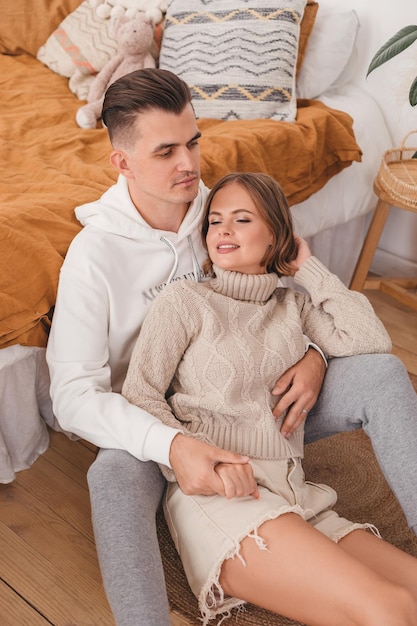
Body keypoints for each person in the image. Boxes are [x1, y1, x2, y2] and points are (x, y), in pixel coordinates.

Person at [46, 68, 417, 626]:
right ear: (122, 162)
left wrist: (316, 357)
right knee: (114, 474)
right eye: (166, 150)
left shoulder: (218, 210)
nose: (189, 164)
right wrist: (172, 446)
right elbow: (73, 396)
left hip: (261, 403)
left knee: (383, 373)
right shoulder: (93, 257)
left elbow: (284, 294)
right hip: (160, 419)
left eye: (193, 141)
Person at [121, 171, 417, 626]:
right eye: (215, 220)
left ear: (277, 234)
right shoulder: (185, 302)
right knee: (391, 610)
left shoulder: (292, 307)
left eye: (241, 219)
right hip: (225, 496)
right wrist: (199, 461)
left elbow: (369, 339)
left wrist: (308, 273)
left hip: (296, 492)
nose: (222, 230)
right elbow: (139, 392)